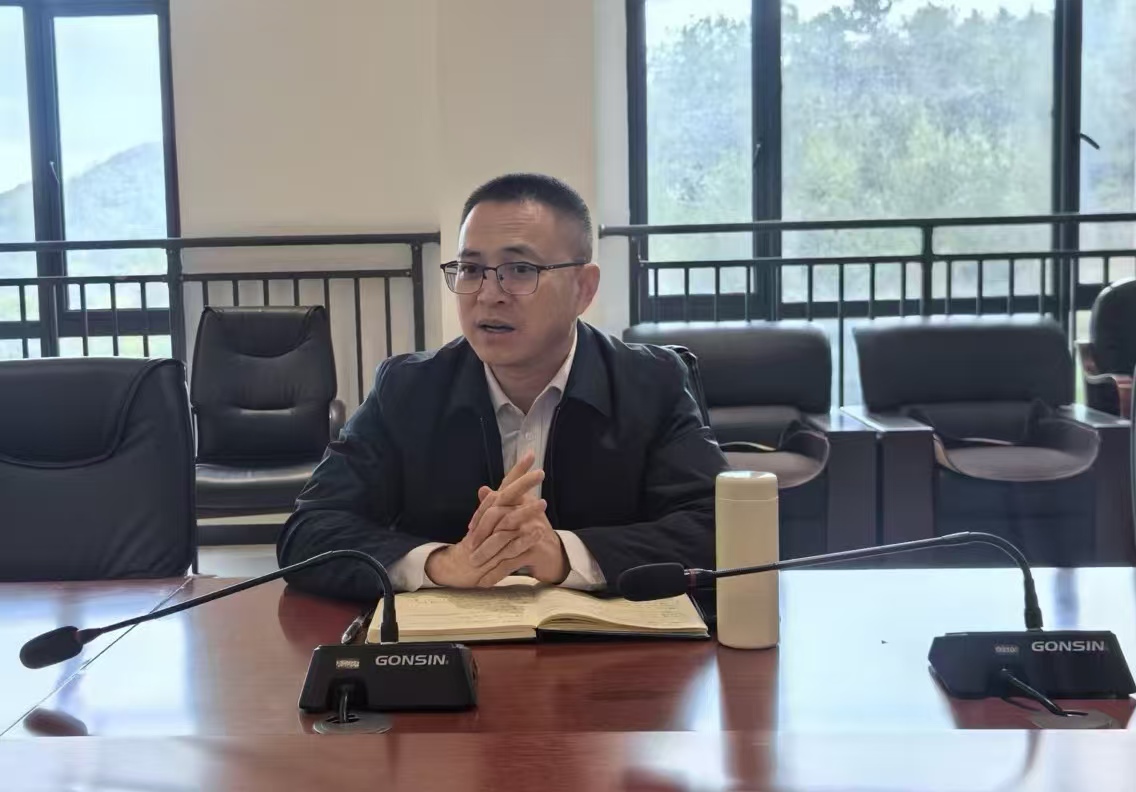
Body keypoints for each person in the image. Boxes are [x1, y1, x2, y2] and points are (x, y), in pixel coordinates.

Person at [277, 173, 728, 600]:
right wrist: (442, 563)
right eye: (471, 269)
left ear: (583, 288)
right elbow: (309, 530)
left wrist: (564, 555)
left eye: (520, 269)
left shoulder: (652, 382)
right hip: (452, 648)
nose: (488, 294)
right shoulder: (407, 389)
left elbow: (720, 528)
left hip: (613, 649)